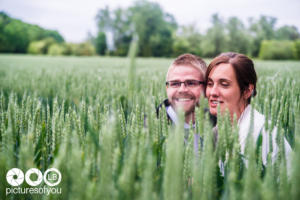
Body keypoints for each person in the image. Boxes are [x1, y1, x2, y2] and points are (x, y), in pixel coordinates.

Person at [205, 52, 291, 166]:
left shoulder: (258, 133)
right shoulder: (220, 131)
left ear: (247, 91)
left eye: (224, 84)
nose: (213, 92)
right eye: (210, 84)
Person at [156, 53, 216, 129]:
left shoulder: (218, 124)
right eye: (175, 83)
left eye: (191, 83)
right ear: (167, 88)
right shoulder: (146, 127)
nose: (182, 90)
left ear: (206, 88)